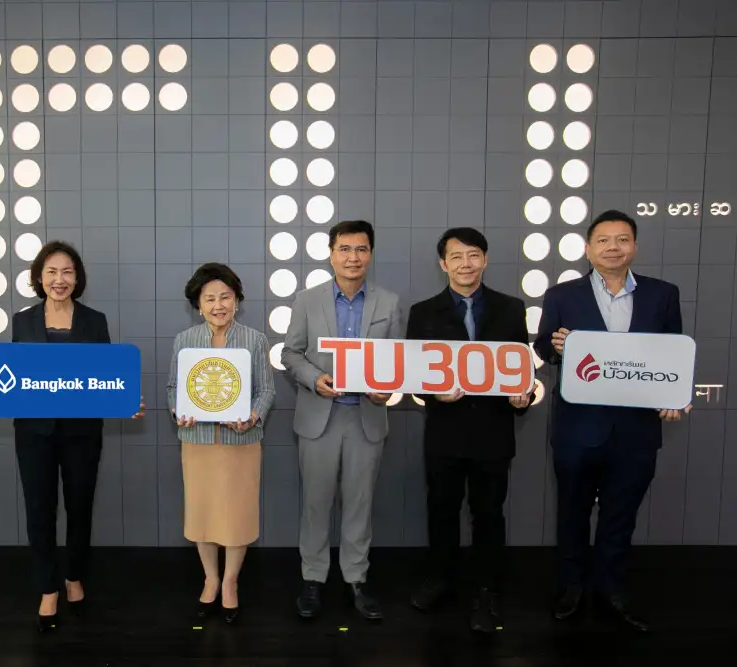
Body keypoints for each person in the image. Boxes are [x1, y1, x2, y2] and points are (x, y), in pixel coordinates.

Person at [0, 240, 144, 633]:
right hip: (34, 433)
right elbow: (15, 374)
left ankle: (74, 577)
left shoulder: (95, 321)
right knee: (40, 510)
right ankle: (48, 587)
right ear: (39, 277)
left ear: (77, 278)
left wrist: (125, 401)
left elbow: (106, 375)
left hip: (83, 432)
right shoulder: (23, 320)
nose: (59, 279)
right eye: (51, 272)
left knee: (80, 508)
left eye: (67, 272)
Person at [534, 209, 691, 633]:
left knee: (621, 516)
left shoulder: (663, 294)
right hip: (578, 428)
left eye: (622, 239)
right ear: (588, 249)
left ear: (634, 246)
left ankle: (612, 591)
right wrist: (557, 347)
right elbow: (543, 348)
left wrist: (675, 396)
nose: (613, 247)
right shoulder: (562, 295)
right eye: (603, 240)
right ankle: (571, 588)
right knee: (572, 513)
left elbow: (674, 353)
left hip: (637, 431)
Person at [405, 227, 533, 634]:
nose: (466, 264)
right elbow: (415, 376)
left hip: (493, 432)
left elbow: (521, 371)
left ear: (485, 260)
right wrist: (433, 394)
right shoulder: (423, 312)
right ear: (443, 264)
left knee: (489, 514)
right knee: (441, 510)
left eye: (473, 255)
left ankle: (487, 589)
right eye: (456, 257)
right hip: (445, 432)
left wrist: (523, 397)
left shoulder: (511, 308)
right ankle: (441, 578)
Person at [281, 219, 402, 621]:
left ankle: (356, 578)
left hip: (366, 417)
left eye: (361, 249)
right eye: (345, 249)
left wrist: (386, 388)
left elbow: (398, 359)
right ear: (331, 254)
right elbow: (290, 353)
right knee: (315, 504)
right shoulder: (307, 300)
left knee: (359, 503)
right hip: (320, 416)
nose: (353, 257)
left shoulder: (389, 303)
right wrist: (315, 379)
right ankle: (313, 578)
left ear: (371, 254)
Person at [166, 263, 275, 624]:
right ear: (198, 306)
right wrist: (178, 410)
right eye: (209, 299)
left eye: (225, 297)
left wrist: (252, 416)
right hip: (197, 442)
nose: (218, 305)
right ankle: (210, 579)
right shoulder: (184, 341)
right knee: (202, 513)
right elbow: (173, 388)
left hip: (240, 441)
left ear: (237, 301)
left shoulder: (255, 340)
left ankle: (231, 582)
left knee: (237, 515)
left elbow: (267, 391)